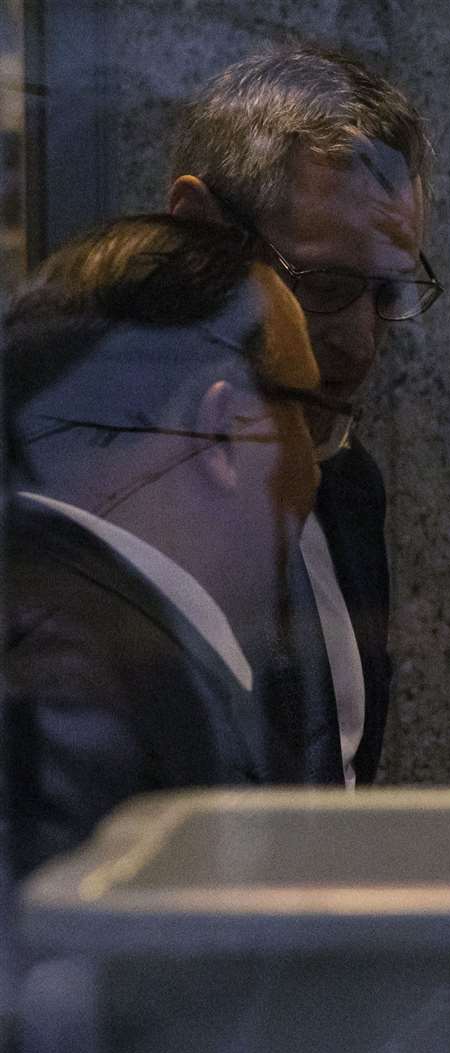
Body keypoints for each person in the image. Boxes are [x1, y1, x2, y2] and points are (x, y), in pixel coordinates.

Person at [3, 214, 333, 878]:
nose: (318, 463)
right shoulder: (75, 678)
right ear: (221, 433)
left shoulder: (51, 626)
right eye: (311, 415)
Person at [166, 44, 441, 786]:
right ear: (200, 235)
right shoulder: (94, 501)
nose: (359, 346)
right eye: (321, 285)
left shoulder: (349, 490)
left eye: (388, 295)